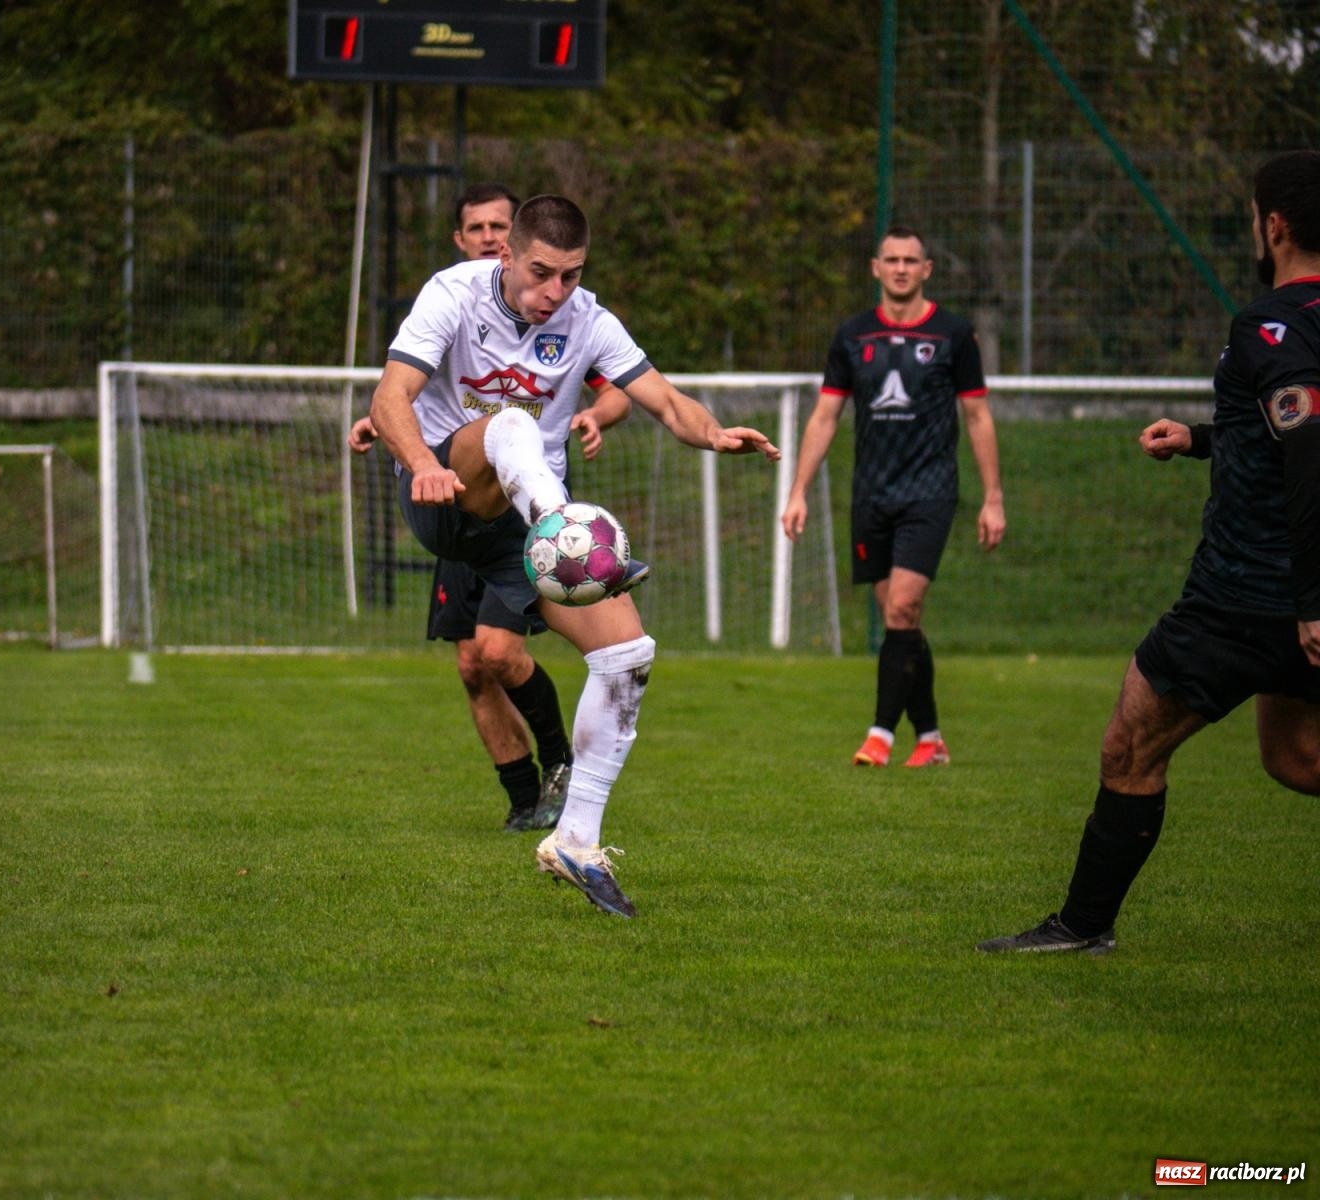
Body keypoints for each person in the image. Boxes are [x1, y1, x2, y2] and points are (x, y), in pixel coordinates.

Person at [371, 193, 779, 917]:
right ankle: (569, 533)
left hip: (522, 534)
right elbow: (390, 397)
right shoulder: (452, 294)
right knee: (508, 427)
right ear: (505, 256)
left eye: (571, 275)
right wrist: (418, 462)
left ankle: (576, 841)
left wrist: (713, 434)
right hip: (448, 491)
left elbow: (663, 399)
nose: (553, 292)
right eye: (540, 273)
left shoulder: (589, 319)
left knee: (629, 654)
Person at [979, 150, 1320, 954]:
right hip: (1285, 591)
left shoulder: (1271, 321)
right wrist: (1203, 438)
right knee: (1299, 757)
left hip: (1252, 595)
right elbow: (1283, 430)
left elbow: (1309, 447)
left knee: (1130, 746)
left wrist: (1311, 600)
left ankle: (1082, 928)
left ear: (1273, 224)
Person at [349, 182, 632, 833]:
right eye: (478, 228)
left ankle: (562, 759)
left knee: (499, 651)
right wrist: (387, 432)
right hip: (454, 491)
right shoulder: (456, 299)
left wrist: (598, 416)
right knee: (474, 667)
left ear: (516, 240)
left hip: (520, 511)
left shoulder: (555, 310)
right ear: (465, 241)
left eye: (500, 226)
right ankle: (525, 800)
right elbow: (405, 390)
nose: (490, 238)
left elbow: (613, 383)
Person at [781, 225, 1006, 768]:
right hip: (871, 495)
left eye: (911, 260)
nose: (901, 268)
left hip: (929, 493)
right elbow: (826, 414)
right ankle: (929, 738)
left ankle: (880, 735)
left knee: (903, 608)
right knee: (897, 620)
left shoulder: (954, 334)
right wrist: (798, 491)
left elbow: (977, 415)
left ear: (927, 269)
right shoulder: (852, 335)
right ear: (875, 268)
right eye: (892, 259)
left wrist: (993, 496)